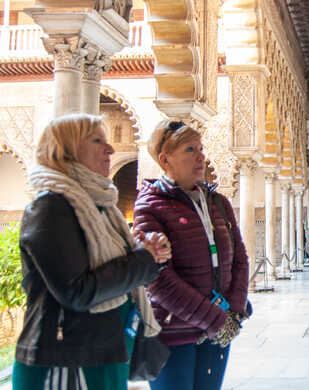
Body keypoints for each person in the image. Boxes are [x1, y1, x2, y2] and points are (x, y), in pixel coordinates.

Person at [12, 114, 171, 390]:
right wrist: (142, 260)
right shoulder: (51, 207)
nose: (109, 149)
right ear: (67, 149)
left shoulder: (101, 206)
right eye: (97, 140)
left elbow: (117, 271)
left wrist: (147, 254)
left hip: (103, 352)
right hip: (65, 360)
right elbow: (78, 291)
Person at [133, 120, 251, 390]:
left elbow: (240, 259)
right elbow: (158, 278)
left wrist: (233, 311)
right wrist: (215, 320)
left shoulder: (218, 203)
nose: (201, 157)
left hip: (218, 331)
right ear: (165, 159)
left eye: (200, 148)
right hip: (174, 333)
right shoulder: (149, 207)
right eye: (190, 150)